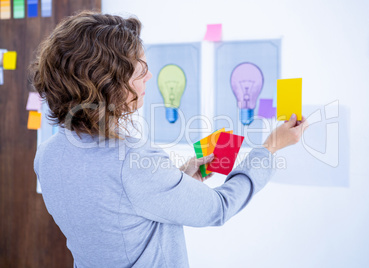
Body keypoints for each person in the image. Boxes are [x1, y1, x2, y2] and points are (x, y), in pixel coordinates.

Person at [30, 11, 308, 268]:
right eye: (140, 71)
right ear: (108, 87)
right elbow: (219, 208)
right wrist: (270, 148)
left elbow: (114, 207)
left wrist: (177, 178)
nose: (150, 76)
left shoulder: (47, 154)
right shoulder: (131, 161)